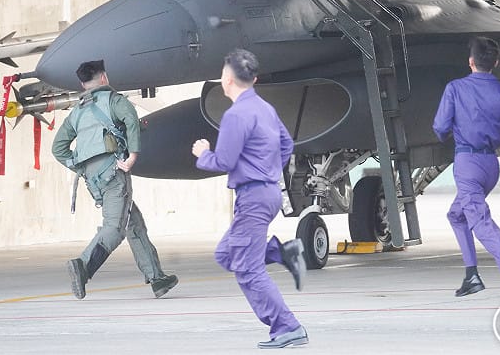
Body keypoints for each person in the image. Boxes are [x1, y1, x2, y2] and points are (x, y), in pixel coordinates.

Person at [192, 48, 309, 349]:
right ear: (254, 79)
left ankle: (288, 327)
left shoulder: (235, 115)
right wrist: (268, 170)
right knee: (226, 255)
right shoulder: (264, 108)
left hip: (253, 197)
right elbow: (287, 144)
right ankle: (282, 253)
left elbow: (224, 161)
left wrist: (203, 153)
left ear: (227, 79)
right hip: (268, 192)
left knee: (247, 269)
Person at [432, 37, 500, 312]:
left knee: (480, 221)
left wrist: (448, 133)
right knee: (457, 215)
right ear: (496, 63)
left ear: (470, 62)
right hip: (491, 165)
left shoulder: (455, 88)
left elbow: (440, 127)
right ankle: (471, 275)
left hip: (467, 163)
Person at [52, 60, 178, 300]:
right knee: (115, 228)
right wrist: (132, 156)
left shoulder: (77, 112)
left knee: (132, 221)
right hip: (114, 174)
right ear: (104, 78)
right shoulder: (115, 101)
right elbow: (130, 120)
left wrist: (79, 166)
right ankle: (83, 266)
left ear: (83, 84)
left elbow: (58, 148)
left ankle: (157, 278)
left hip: (93, 181)